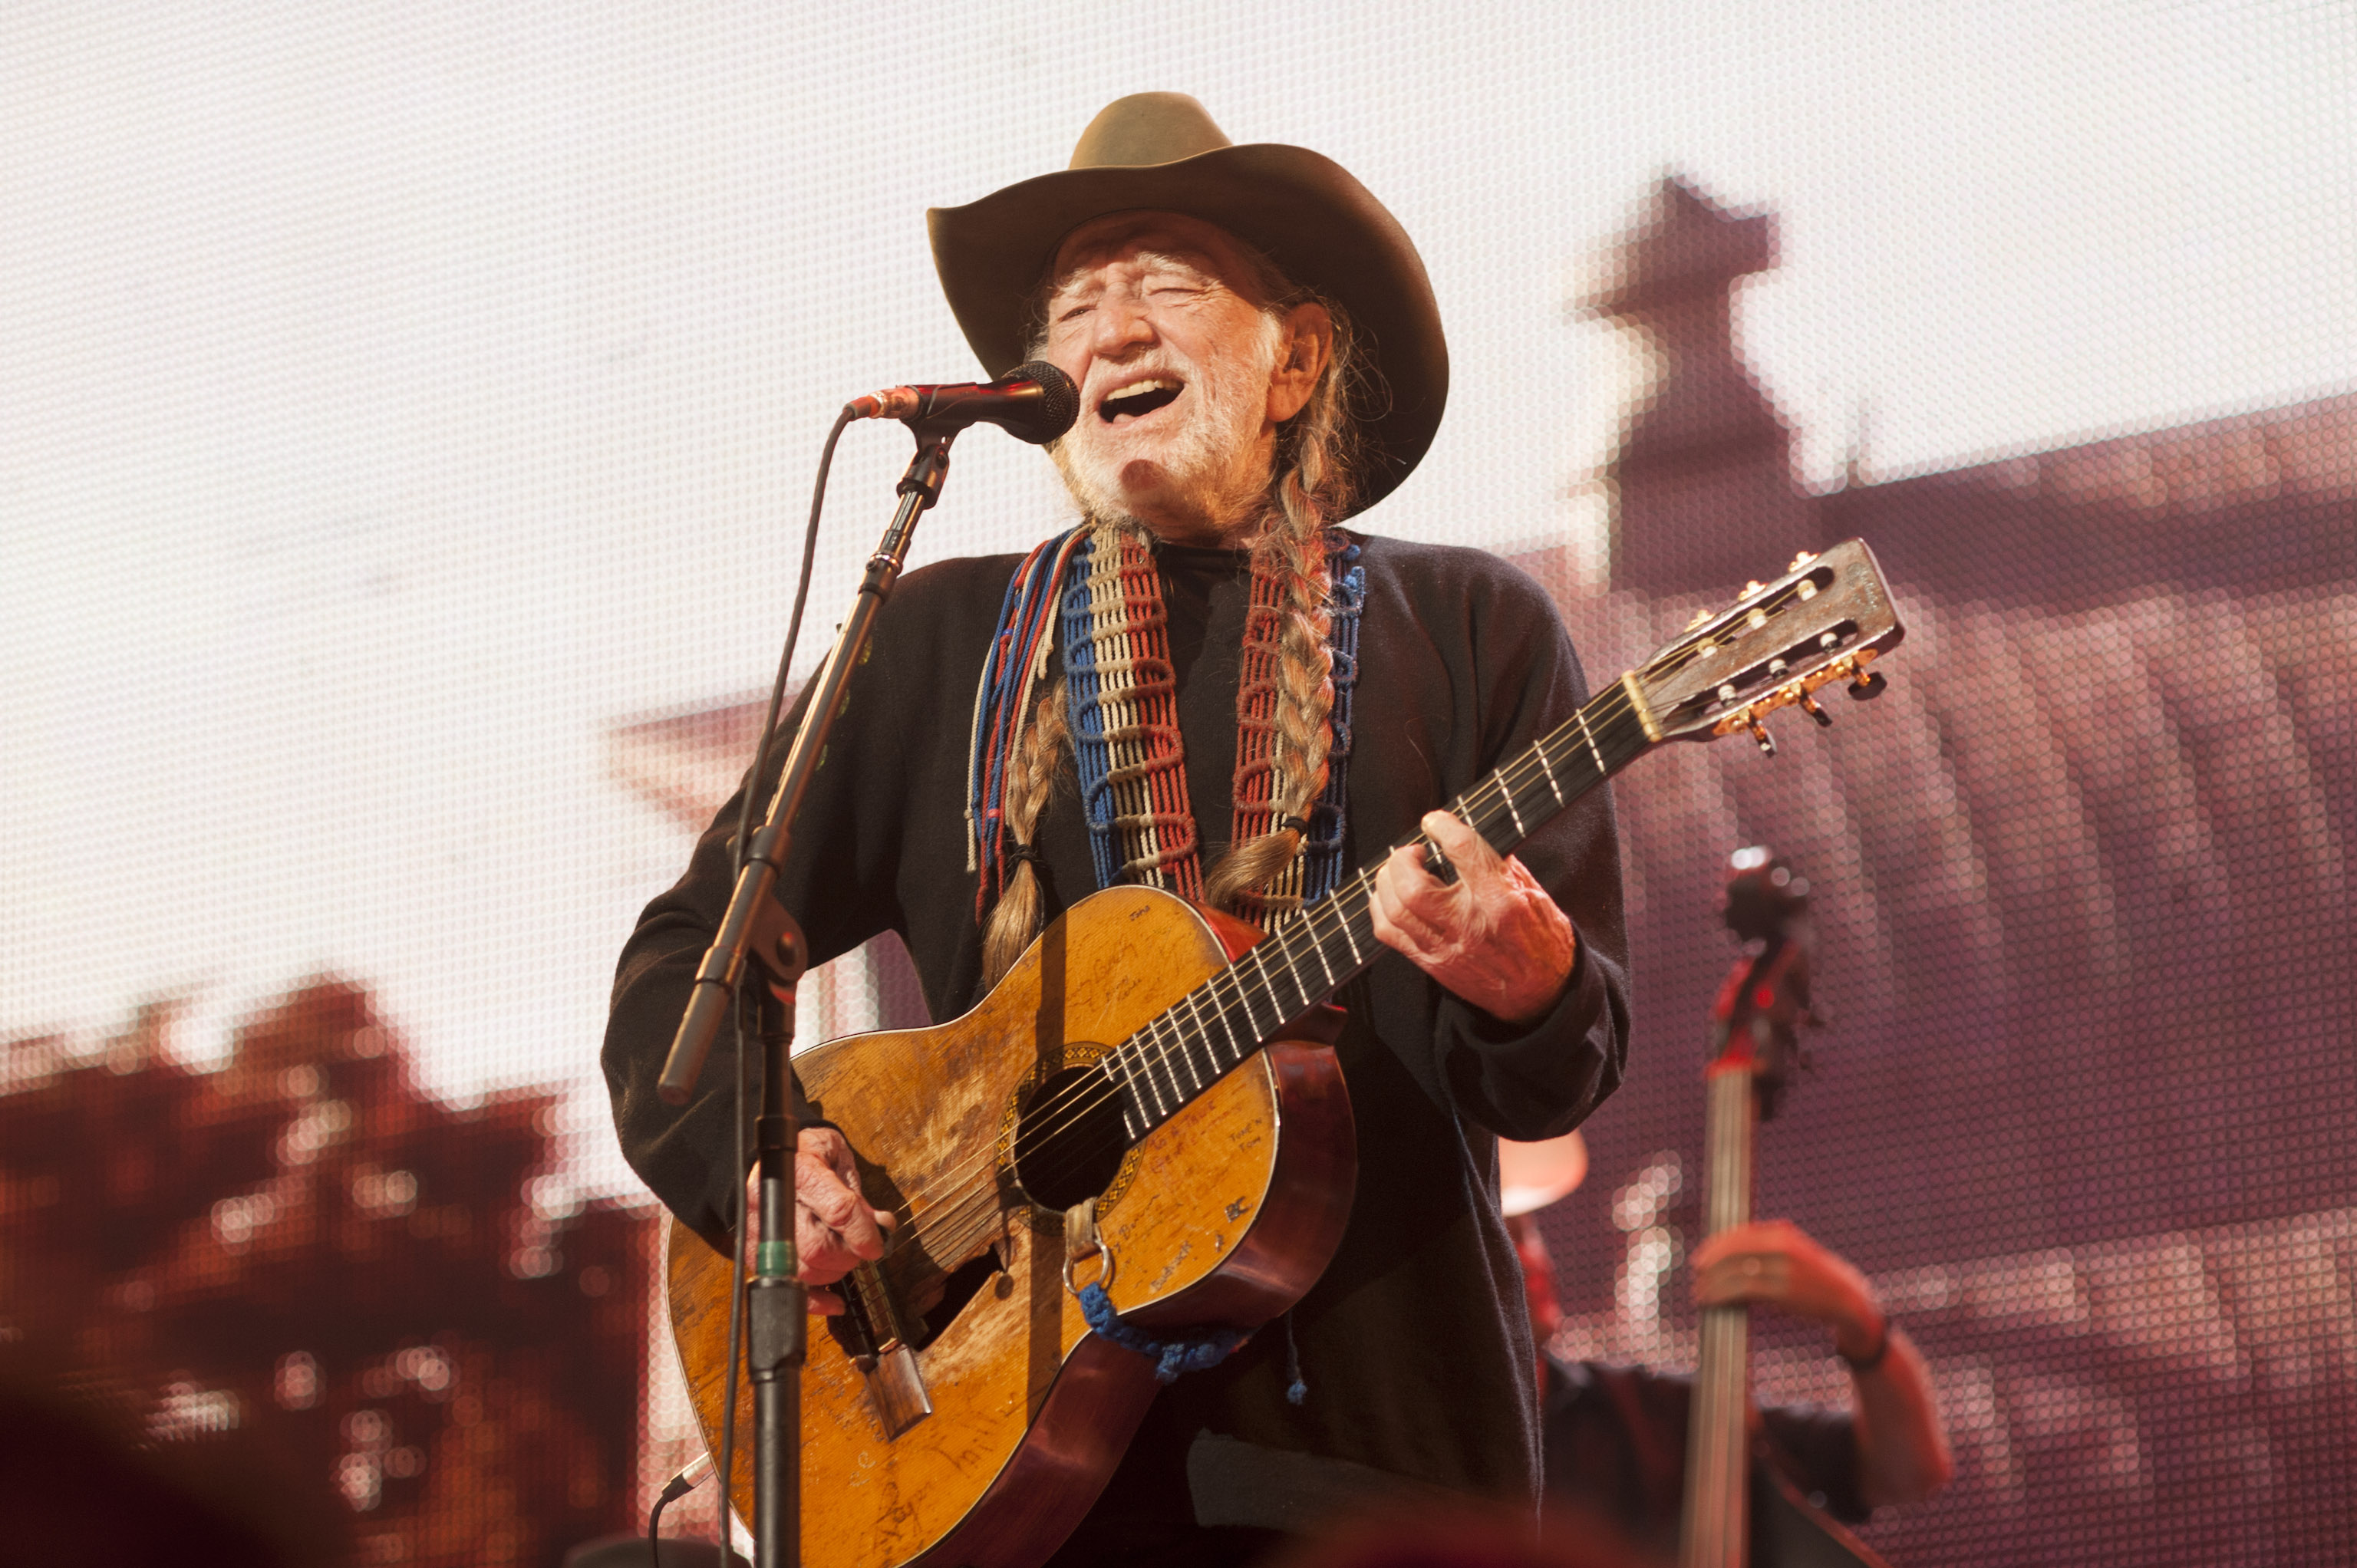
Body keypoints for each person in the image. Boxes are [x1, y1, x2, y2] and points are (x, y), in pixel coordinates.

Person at [605, 93, 1631, 1565]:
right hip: (1004, 1474)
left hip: (1379, 1473)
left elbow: (1555, 1078)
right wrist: (760, 1161)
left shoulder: (1470, 626)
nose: (1111, 328)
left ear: (1298, 357)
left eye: (1166, 282)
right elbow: (684, 971)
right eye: (1076, 302)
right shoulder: (937, 639)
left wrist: (1532, 984)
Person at [1502, 1137, 1952, 1557]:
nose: (1527, 1260)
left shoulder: (1655, 1413)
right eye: (1499, 1241)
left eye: (1527, 1232)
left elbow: (1908, 1474)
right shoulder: (1434, 1457)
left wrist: (1859, 1319)